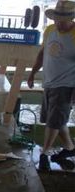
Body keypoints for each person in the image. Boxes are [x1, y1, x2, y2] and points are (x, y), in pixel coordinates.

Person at [27, 0, 75, 171]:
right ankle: (70, 148)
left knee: (53, 122)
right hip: (49, 83)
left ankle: (44, 153)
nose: (59, 23)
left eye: (63, 19)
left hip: (66, 86)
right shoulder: (49, 31)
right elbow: (42, 54)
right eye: (56, 19)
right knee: (54, 119)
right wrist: (32, 73)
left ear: (72, 18)